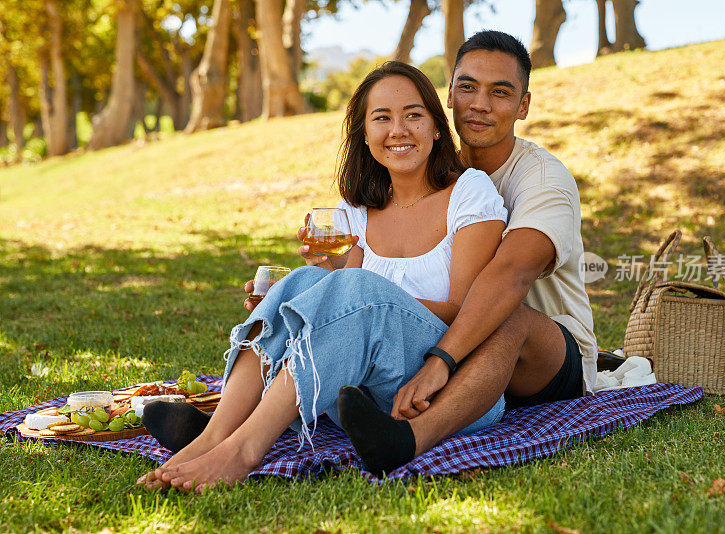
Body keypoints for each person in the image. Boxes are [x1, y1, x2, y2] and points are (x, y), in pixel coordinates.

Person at [137, 61, 509, 491]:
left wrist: (352, 297)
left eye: (413, 115)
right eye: (382, 118)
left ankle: (245, 450)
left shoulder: (469, 192)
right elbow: (345, 309)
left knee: (347, 289)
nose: (399, 129)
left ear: (436, 127)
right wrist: (320, 291)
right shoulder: (353, 214)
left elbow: (467, 311)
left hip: (448, 390)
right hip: (362, 395)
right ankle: (214, 435)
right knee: (299, 282)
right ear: (366, 136)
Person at [298, 30, 598, 474]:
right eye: (467, 87)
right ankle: (226, 419)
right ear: (450, 97)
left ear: (524, 106)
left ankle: (408, 440)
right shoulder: (431, 171)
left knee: (504, 313)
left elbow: (509, 276)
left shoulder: (544, 181)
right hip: (454, 343)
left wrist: (441, 361)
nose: (480, 103)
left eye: (500, 92)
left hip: (543, 353)